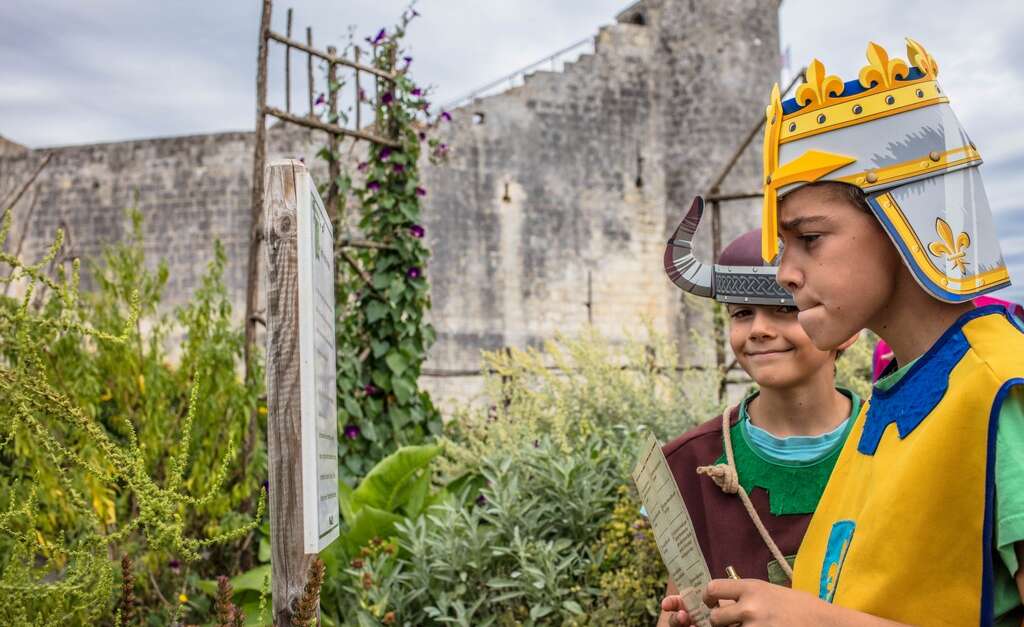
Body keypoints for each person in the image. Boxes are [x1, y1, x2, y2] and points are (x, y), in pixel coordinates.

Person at [662, 37, 1024, 626]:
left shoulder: (1003, 392)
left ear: (899, 222)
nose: (784, 273)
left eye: (810, 238)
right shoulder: (895, 396)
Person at [657, 198, 859, 626]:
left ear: (848, 330)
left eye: (786, 310)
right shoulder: (686, 464)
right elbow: (680, 600)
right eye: (742, 314)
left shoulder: (894, 442)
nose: (760, 330)